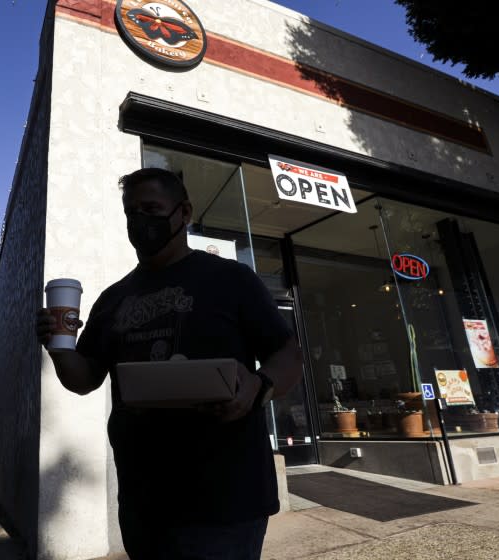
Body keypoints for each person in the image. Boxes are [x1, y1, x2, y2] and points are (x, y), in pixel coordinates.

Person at [36, 167, 302, 559]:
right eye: (131, 212)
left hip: (225, 500)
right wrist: (59, 347)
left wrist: (259, 387)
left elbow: (288, 354)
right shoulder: (113, 299)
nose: (140, 220)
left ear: (184, 213)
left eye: (151, 208)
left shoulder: (232, 279)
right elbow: (84, 379)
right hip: (143, 501)